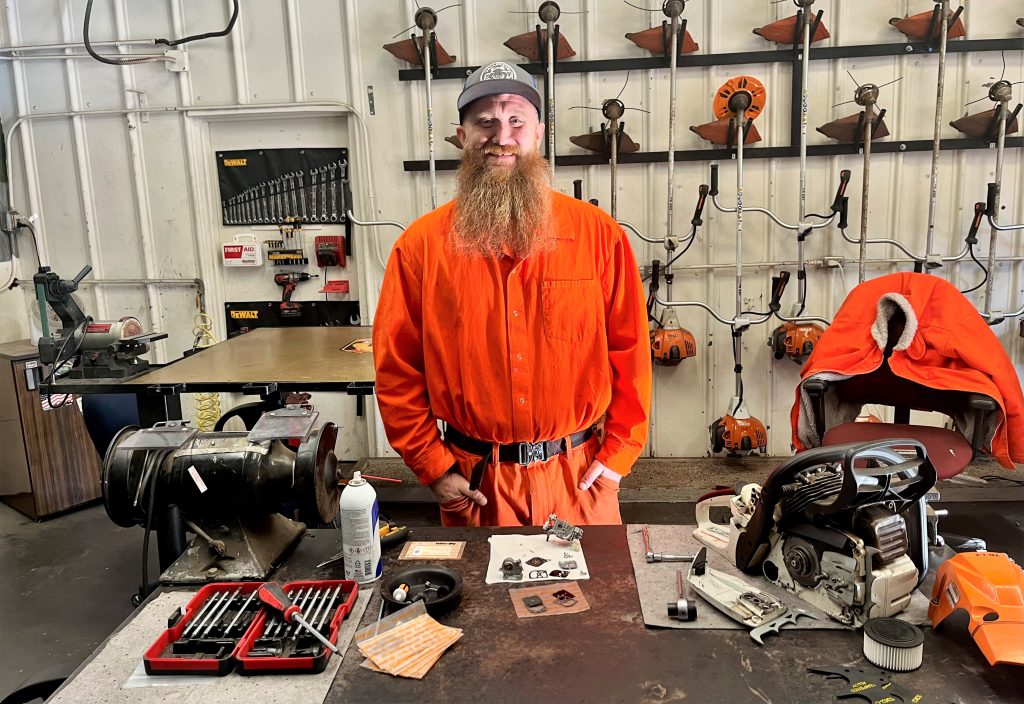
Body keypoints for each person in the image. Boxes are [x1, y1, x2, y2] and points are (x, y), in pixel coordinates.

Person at [373, 61, 651, 527]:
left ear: (538, 133)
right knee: (476, 601)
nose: (502, 137)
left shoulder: (598, 236)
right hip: (476, 485)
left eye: (516, 120)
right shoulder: (420, 248)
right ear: (462, 136)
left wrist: (618, 457)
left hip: (580, 480)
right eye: (485, 122)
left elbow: (631, 354)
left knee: (596, 599)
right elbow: (396, 370)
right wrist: (433, 467)